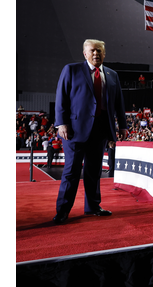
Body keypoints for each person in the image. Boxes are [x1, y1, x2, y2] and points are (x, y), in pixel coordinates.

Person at [53, 39, 128, 225]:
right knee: (71, 172)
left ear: (105, 54)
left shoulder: (112, 75)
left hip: (101, 131)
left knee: (94, 171)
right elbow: (61, 97)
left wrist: (123, 125)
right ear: (85, 54)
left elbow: (119, 103)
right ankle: (62, 211)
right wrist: (61, 123)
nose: (96, 54)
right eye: (93, 51)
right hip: (74, 132)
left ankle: (93, 206)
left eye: (100, 51)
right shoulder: (71, 70)